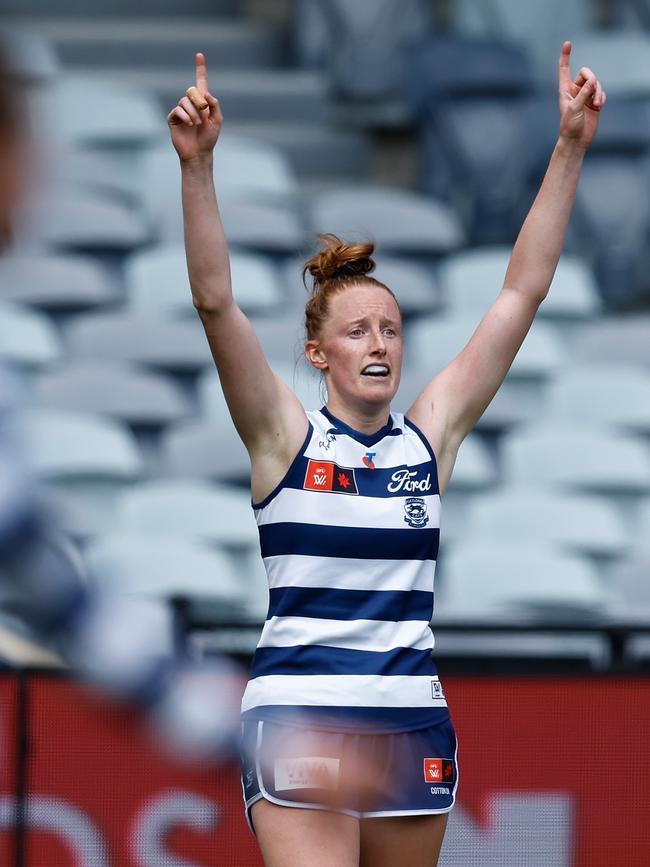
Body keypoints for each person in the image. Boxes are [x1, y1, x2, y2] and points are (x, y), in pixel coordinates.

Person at [168, 43, 604, 867]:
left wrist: (570, 146)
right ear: (318, 352)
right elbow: (214, 300)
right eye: (358, 329)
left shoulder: (427, 434)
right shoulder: (282, 434)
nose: (381, 343)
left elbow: (522, 291)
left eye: (393, 328)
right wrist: (198, 168)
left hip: (411, 722)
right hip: (301, 715)